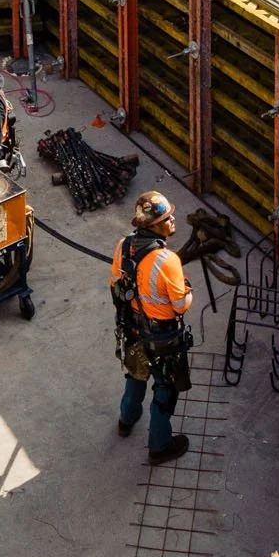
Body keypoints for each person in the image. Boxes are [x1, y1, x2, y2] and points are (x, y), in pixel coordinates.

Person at [110, 189, 193, 463]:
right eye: (167, 218)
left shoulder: (123, 246)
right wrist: (188, 290)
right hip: (162, 336)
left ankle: (126, 420)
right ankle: (159, 446)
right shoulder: (168, 261)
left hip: (133, 329)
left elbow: (115, 286)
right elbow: (180, 305)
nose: (173, 219)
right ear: (154, 226)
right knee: (165, 388)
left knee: (136, 374)